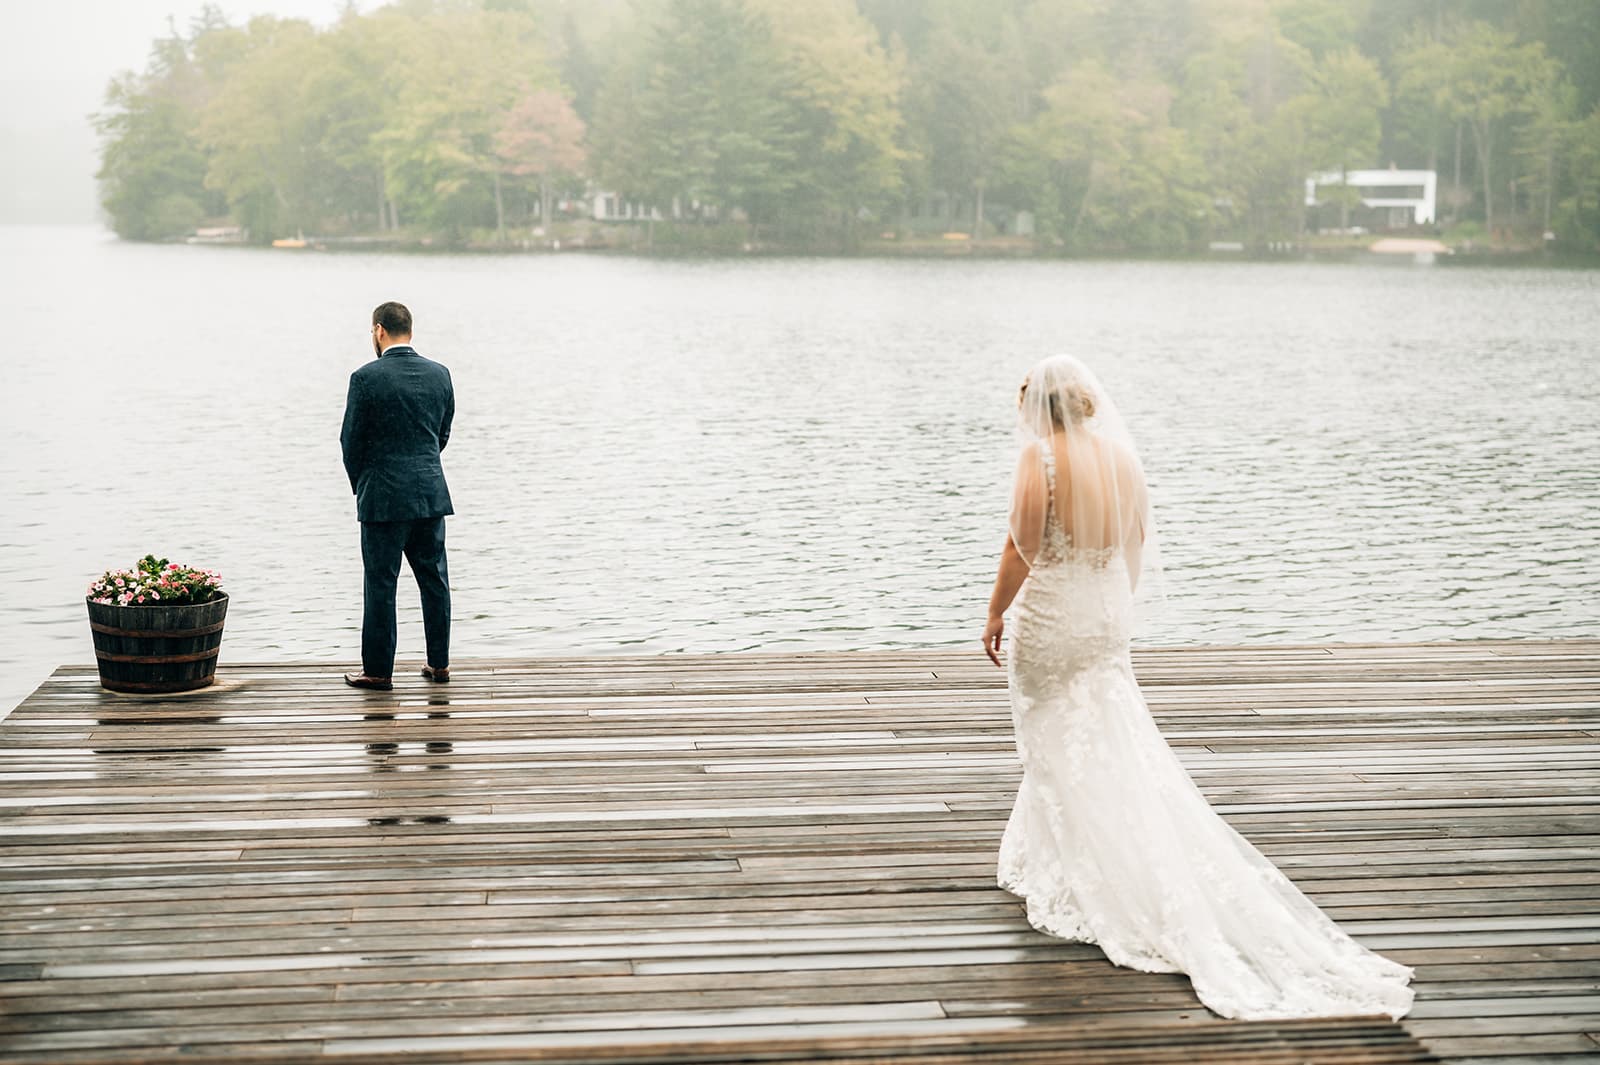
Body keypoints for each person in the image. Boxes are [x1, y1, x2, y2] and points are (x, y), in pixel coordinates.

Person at [982, 354, 1413, 1020]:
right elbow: (1135, 540)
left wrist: (993, 612)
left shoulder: (1039, 460)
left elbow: (1022, 549)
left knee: (1053, 735)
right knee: (1102, 734)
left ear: (1040, 408)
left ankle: (1083, 871)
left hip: (1054, 616)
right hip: (1101, 614)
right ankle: (1054, 855)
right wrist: (1111, 608)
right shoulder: (1121, 459)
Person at [340, 301, 455, 691]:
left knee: (381, 584)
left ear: (378, 331)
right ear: (409, 329)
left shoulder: (365, 378)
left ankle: (378, 672)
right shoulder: (440, 374)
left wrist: (363, 483)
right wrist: (421, 467)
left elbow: (350, 442)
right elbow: (442, 434)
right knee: (435, 579)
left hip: (383, 498)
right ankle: (439, 665)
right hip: (428, 493)